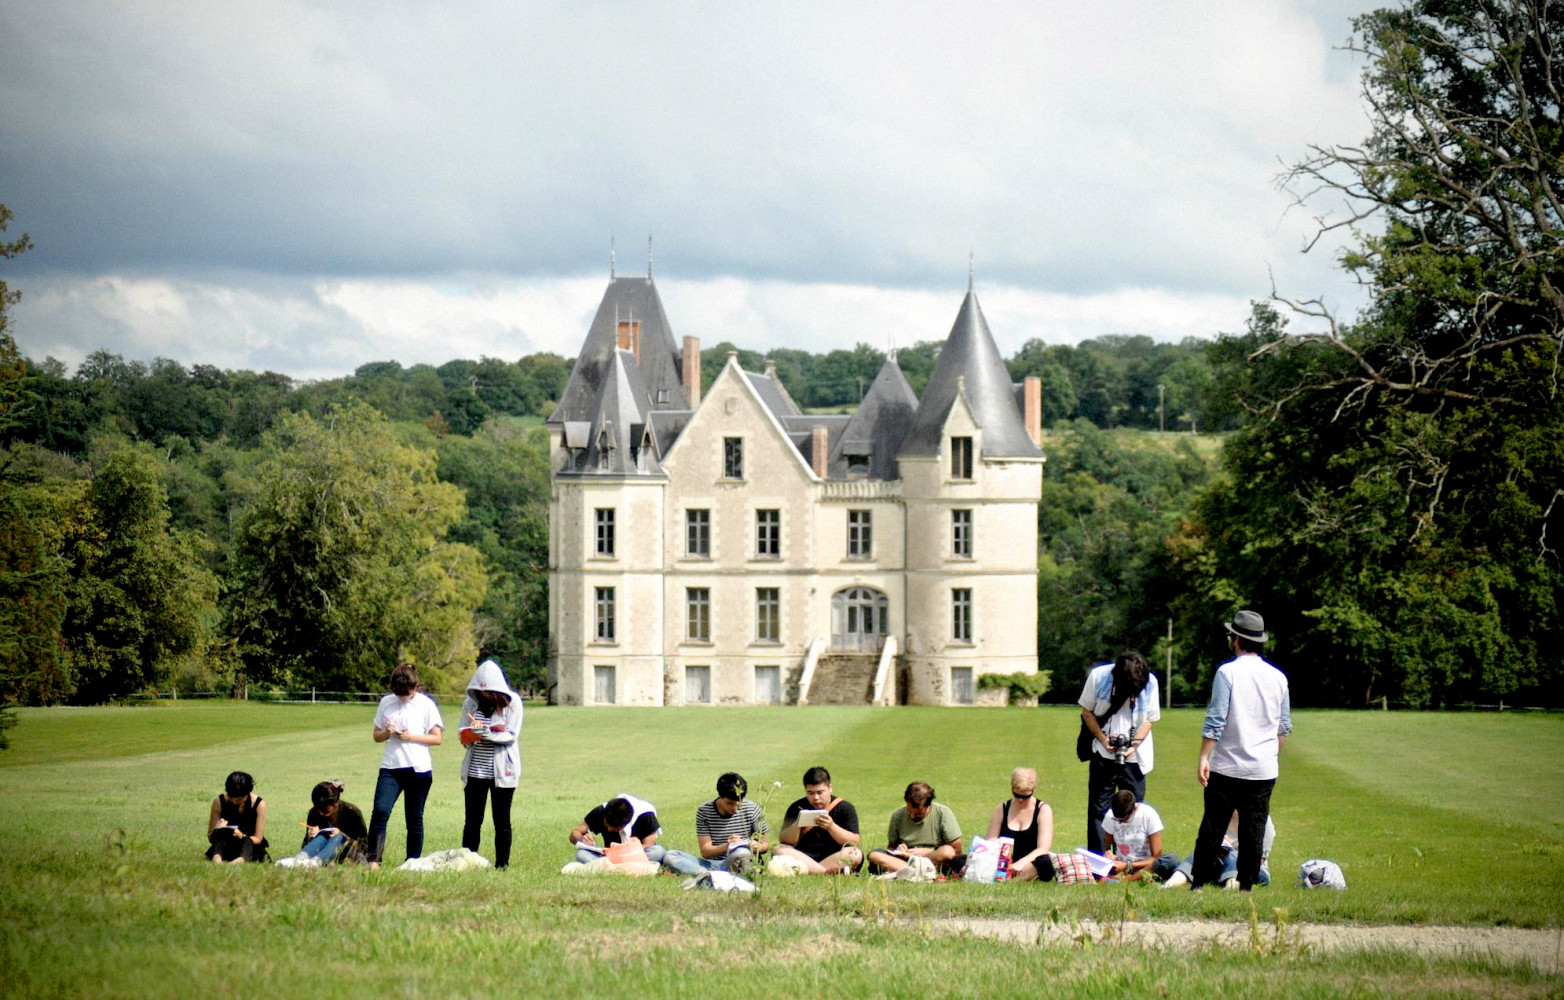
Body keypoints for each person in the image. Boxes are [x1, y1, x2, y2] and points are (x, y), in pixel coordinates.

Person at [1189, 609, 1291, 891]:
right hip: (1263, 769)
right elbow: (1283, 727)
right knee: (1253, 830)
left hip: (1227, 765)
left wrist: (1203, 756)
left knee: (1213, 827)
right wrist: (1269, 756)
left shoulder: (1227, 672)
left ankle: (1198, 883)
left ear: (1235, 639)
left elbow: (1216, 719)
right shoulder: (1279, 677)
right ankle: (1246, 885)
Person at [1078, 650, 1161, 854]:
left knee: (1134, 810)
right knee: (1099, 811)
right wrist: (1103, 739)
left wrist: (1134, 744)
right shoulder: (1099, 677)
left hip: (1136, 757)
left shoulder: (1150, 682)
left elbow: (1150, 718)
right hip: (1103, 753)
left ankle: (1132, 860)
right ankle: (1099, 862)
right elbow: (1086, 711)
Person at [367, 663, 444, 869]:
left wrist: (410, 736)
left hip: (418, 769)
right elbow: (376, 735)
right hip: (391, 767)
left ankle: (412, 861)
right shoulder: (386, 702)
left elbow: (437, 738)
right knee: (380, 811)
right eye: (399, 694)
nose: (402, 697)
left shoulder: (426, 704)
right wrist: (388, 733)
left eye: (407, 694)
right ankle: (374, 860)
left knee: (414, 817)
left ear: (415, 687)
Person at [459, 659, 522, 869]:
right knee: (472, 821)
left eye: (489, 692)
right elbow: (462, 732)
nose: (485, 696)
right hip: (476, 769)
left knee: (501, 821)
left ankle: (502, 865)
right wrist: (470, 736)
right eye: (481, 692)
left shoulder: (513, 704)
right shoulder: (470, 704)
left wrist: (487, 734)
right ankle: (469, 861)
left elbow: (511, 736)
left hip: (502, 772)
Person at [662, 772, 770, 877]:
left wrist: (752, 845)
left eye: (738, 803)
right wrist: (728, 846)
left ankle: (707, 875)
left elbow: (765, 846)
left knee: (741, 852)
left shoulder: (752, 809)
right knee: (671, 856)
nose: (735, 809)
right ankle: (711, 874)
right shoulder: (704, 811)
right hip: (714, 864)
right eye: (730, 804)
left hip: (741, 859)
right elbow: (706, 851)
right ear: (720, 796)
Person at [775, 766, 862, 874]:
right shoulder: (797, 807)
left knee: (855, 853)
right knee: (779, 850)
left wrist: (831, 827)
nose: (815, 798)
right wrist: (798, 823)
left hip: (833, 855)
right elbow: (785, 840)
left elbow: (854, 841)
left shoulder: (844, 808)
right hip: (804, 855)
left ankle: (811, 870)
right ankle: (826, 872)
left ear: (830, 788)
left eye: (820, 792)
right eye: (810, 793)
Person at [867, 782, 963, 875]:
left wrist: (927, 852)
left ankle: (911, 871)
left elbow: (956, 850)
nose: (912, 816)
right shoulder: (897, 816)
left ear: (928, 805)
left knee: (947, 852)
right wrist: (900, 849)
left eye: (919, 813)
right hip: (906, 859)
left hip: (933, 858)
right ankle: (915, 871)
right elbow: (891, 848)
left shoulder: (943, 813)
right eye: (909, 811)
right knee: (874, 855)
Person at [1164, 811, 1276, 889]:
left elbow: (1258, 860)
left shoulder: (1262, 819)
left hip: (1254, 871)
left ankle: (1230, 887)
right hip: (1220, 865)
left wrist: (1230, 850)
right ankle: (1170, 884)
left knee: (1233, 855)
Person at [983, 767, 1054, 881]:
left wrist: (1021, 863)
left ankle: (1007, 879)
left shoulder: (1043, 810)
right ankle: (1005, 877)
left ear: (1034, 789)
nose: (1020, 800)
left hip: (1029, 864)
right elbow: (991, 842)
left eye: (1025, 796)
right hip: (1002, 863)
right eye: (1016, 795)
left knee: (1045, 862)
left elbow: (1043, 848)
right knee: (959, 860)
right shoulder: (1001, 809)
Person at [278, 780, 369, 867]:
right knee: (322, 836)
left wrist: (343, 835)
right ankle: (298, 860)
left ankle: (315, 863)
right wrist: (310, 837)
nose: (321, 813)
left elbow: (364, 845)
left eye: (324, 810)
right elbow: (306, 844)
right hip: (320, 850)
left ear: (335, 802)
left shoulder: (352, 811)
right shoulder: (314, 813)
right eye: (318, 809)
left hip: (349, 853)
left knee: (338, 837)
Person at [1101, 789, 1179, 882]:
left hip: (1145, 867)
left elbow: (1156, 857)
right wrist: (1109, 854)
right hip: (1119, 867)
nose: (1120, 822)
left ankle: (1127, 879)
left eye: (1124, 819)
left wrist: (1128, 866)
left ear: (1134, 809)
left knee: (1172, 860)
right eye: (1117, 819)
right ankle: (1120, 877)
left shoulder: (1149, 814)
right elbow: (1110, 847)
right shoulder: (1110, 816)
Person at [569, 794, 667, 865]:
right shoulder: (602, 811)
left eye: (614, 828)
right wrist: (582, 839)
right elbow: (575, 832)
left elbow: (648, 843)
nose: (609, 829)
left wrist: (621, 853)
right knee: (581, 854)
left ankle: (607, 868)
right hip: (609, 856)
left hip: (636, 855)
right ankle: (620, 867)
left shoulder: (646, 815)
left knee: (657, 852)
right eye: (607, 825)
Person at [205, 770, 268, 864]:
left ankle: (239, 861)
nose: (235, 802)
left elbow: (258, 838)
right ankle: (217, 859)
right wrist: (218, 829)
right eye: (231, 798)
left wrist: (241, 836)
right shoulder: (219, 802)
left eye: (240, 799)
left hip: (249, 845)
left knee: (248, 843)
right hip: (227, 845)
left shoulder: (259, 805)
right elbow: (211, 836)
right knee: (220, 840)